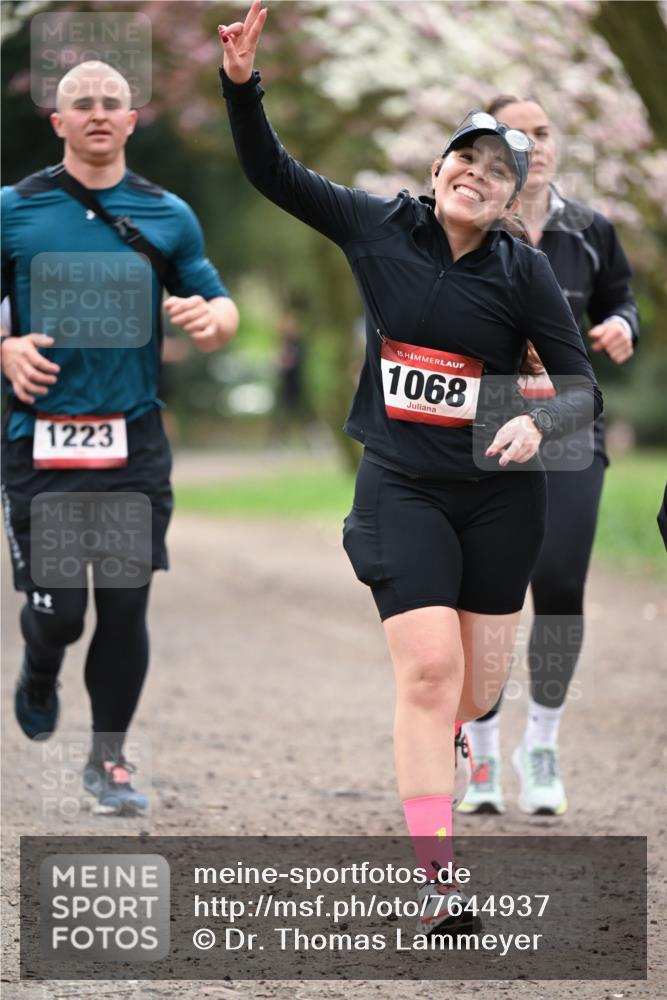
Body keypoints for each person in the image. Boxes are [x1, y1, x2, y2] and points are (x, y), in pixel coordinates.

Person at [217, 2, 601, 932]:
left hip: (499, 498)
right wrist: (240, 85)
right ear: (436, 173)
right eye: (463, 159)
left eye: (497, 170)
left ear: (511, 198)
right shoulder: (376, 225)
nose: (476, 174)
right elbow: (271, 170)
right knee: (428, 674)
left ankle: (475, 733)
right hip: (401, 484)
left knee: (477, 687)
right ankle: (440, 881)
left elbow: (582, 385)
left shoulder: (523, 274)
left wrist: (533, 420)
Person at [1, 61, 239, 815]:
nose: (99, 113)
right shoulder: (14, 209)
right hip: (42, 441)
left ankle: (108, 762)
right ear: (59, 123)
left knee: (126, 606)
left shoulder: (166, 214)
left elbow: (217, 300)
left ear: (132, 119)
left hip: (132, 440)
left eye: (113, 103)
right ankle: (41, 663)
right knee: (62, 614)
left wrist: (213, 321)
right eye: (83, 104)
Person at [458, 95, 639, 817]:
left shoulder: (590, 229)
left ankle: (541, 745)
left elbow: (620, 300)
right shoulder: (468, 224)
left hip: (568, 428)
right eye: (518, 135)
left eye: (543, 132)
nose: (536, 144)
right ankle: (480, 752)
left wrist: (621, 326)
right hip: (486, 429)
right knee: (487, 595)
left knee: (559, 586)